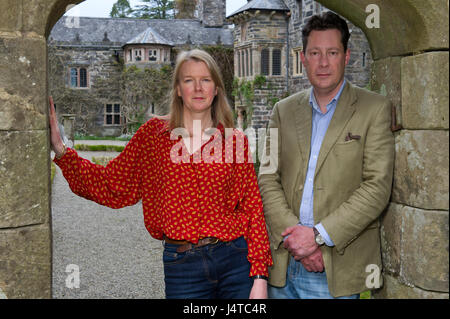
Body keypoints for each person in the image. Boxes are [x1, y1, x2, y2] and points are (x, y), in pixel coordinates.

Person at [49, 49, 272, 299]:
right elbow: (112, 184)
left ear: (217, 88)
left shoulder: (235, 141)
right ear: (178, 89)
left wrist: (260, 277)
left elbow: (252, 208)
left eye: (206, 79)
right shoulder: (153, 136)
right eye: (189, 80)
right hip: (183, 266)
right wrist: (61, 152)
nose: (198, 87)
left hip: (235, 261)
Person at [258, 12, 394, 299]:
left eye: (331, 52)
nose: (322, 62)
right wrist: (294, 237)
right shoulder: (282, 111)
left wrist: (318, 237)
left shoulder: (375, 109)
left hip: (334, 266)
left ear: (346, 56)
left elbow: (376, 188)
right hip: (282, 263)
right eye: (314, 53)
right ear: (303, 57)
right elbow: (267, 176)